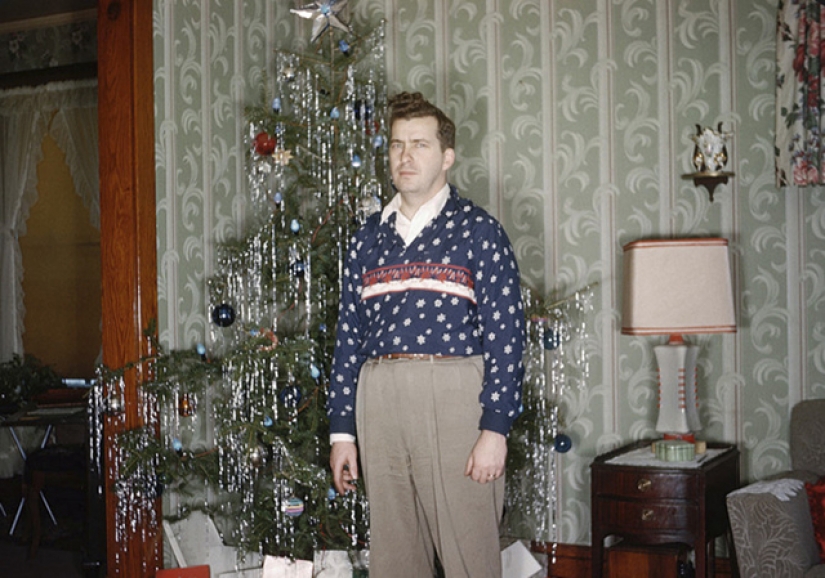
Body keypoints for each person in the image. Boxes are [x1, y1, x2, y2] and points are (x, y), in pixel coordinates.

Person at [327, 91, 525, 578]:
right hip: (380, 397)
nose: (405, 156)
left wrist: (495, 430)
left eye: (419, 144)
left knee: (469, 554)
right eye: (397, 145)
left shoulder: (479, 231)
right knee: (395, 556)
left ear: (447, 156)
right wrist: (342, 433)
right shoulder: (367, 238)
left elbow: (506, 338)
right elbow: (348, 338)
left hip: (455, 396)